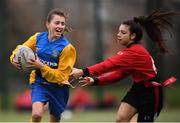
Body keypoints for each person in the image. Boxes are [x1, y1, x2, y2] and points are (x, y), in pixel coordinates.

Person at [70, 10, 178, 122]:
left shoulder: (134, 52)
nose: (118, 34)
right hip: (137, 88)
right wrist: (96, 81)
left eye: (123, 32)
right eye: (118, 32)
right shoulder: (131, 51)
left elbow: (107, 65)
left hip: (150, 93)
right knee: (121, 119)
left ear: (133, 36)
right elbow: (119, 74)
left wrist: (82, 72)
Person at [10, 8, 76, 122]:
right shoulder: (38, 37)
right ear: (48, 24)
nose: (60, 26)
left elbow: (61, 77)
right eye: (57, 23)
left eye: (62, 23)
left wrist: (41, 66)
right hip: (39, 82)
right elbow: (21, 48)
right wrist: (14, 58)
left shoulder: (67, 48)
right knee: (36, 115)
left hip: (59, 87)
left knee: (54, 120)